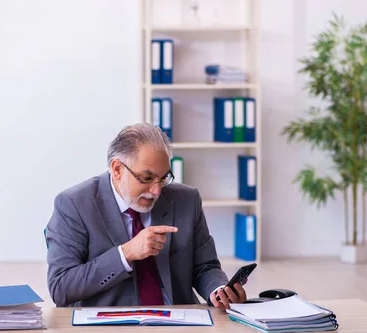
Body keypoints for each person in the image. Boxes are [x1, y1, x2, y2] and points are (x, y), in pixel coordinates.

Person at [45, 122, 246, 309]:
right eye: (147, 178)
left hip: (180, 324)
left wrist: (218, 290)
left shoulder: (187, 200)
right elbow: (61, 287)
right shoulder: (74, 205)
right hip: (109, 327)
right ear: (117, 169)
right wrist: (125, 253)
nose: (157, 191)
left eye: (164, 178)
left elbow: (205, 267)